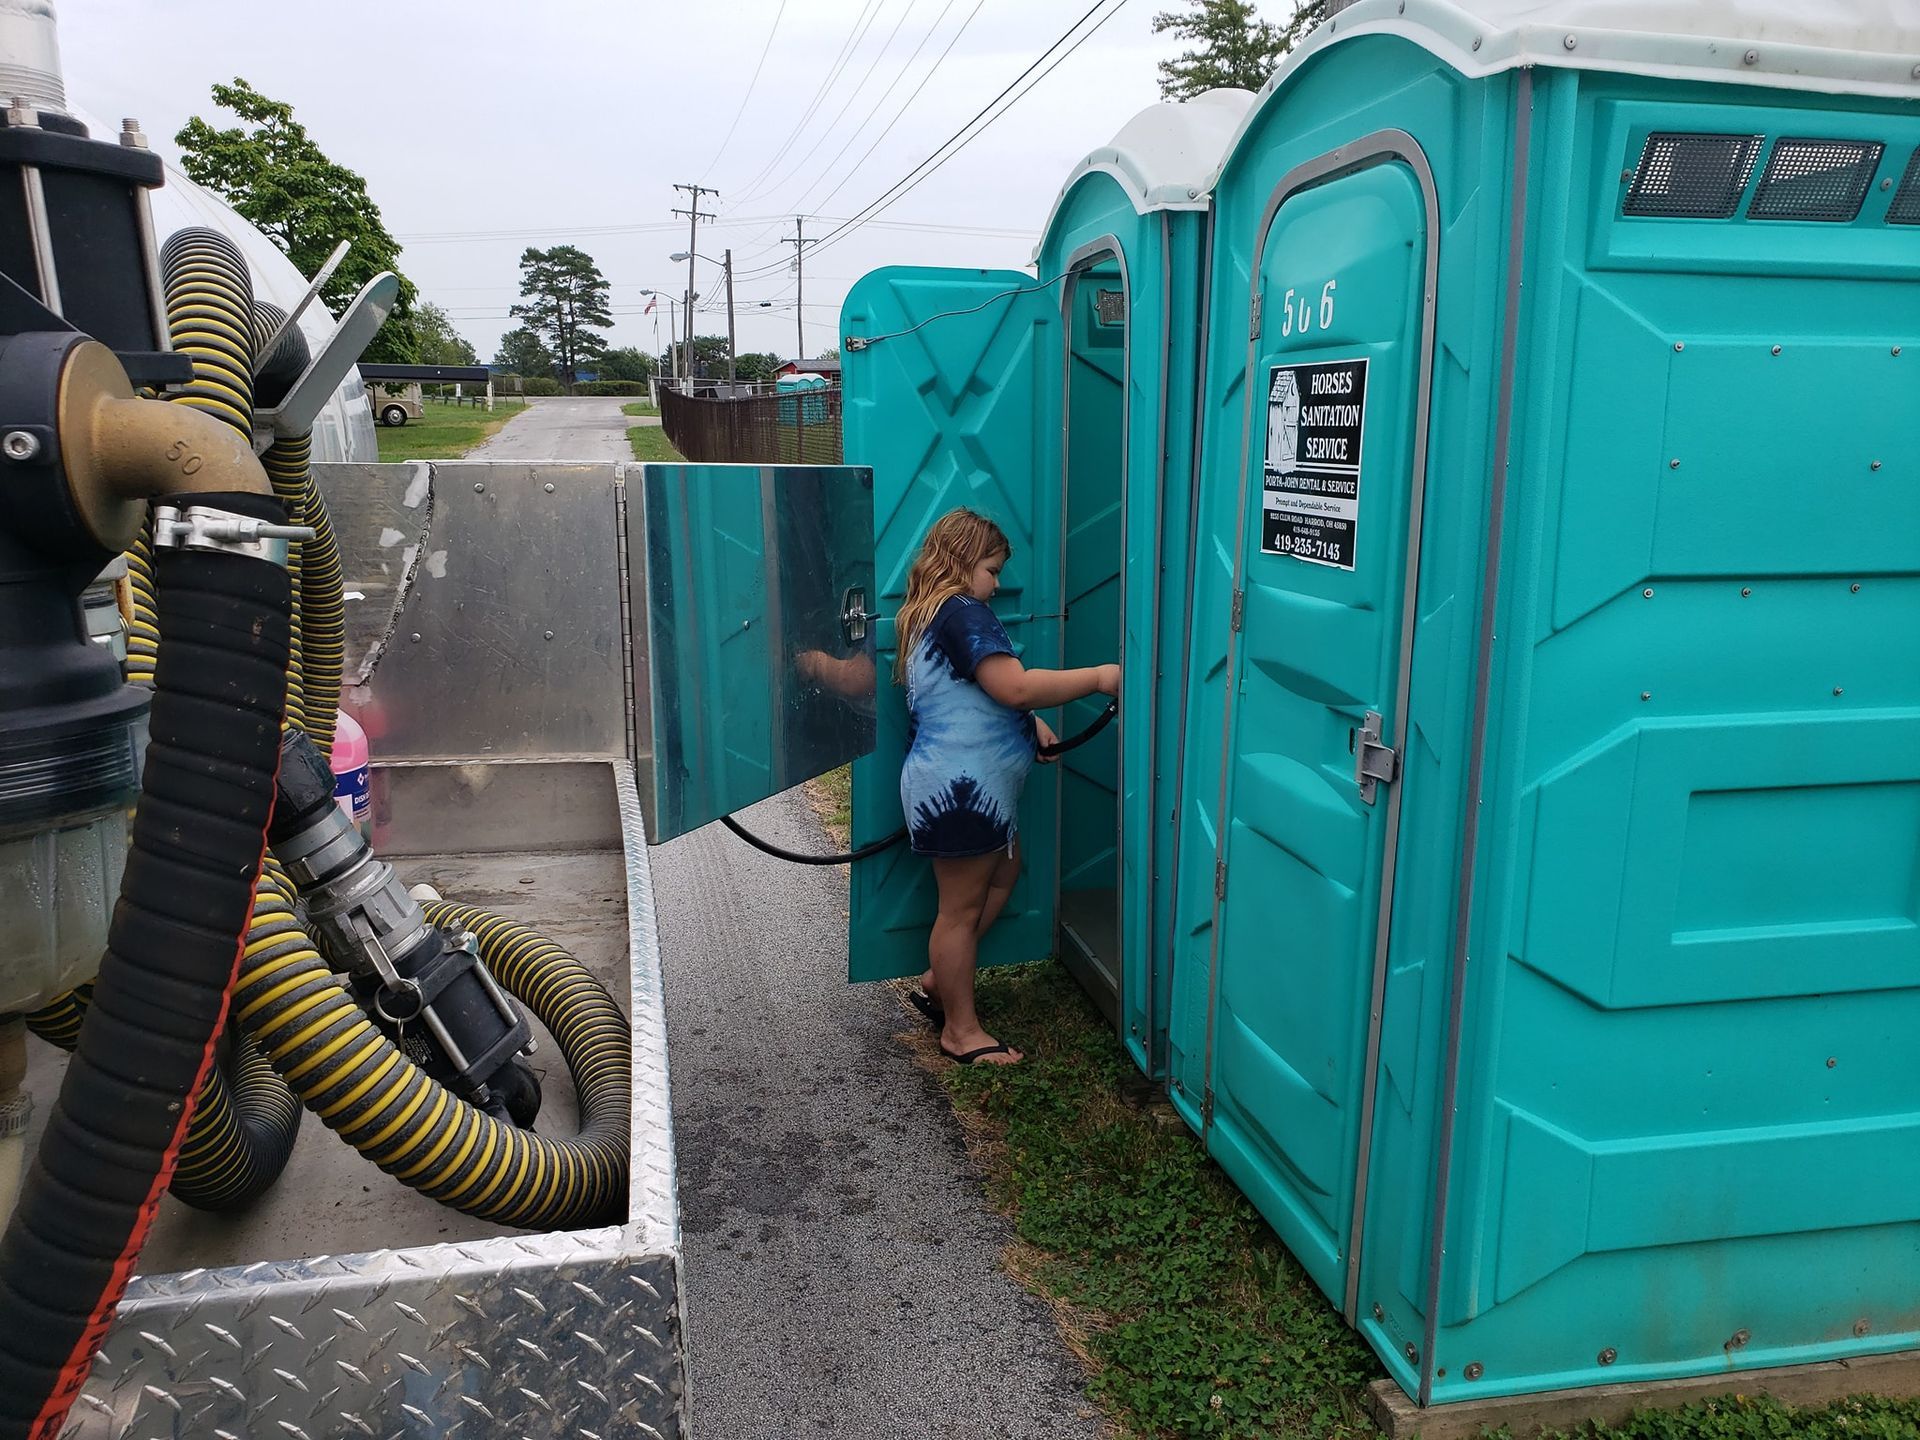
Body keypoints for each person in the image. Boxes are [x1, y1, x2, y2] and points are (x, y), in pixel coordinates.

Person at [895, 508, 1119, 1066]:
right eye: (992, 570)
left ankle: (940, 980)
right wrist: (1099, 678)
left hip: (966, 789)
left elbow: (971, 695)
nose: (998, 584)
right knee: (959, 911)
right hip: (960, 792)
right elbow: (1013, 687)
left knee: (1004, 873)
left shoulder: (937, 614)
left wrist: (1028, 728)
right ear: (963, 563)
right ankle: (960, 1032)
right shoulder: (963, 611)